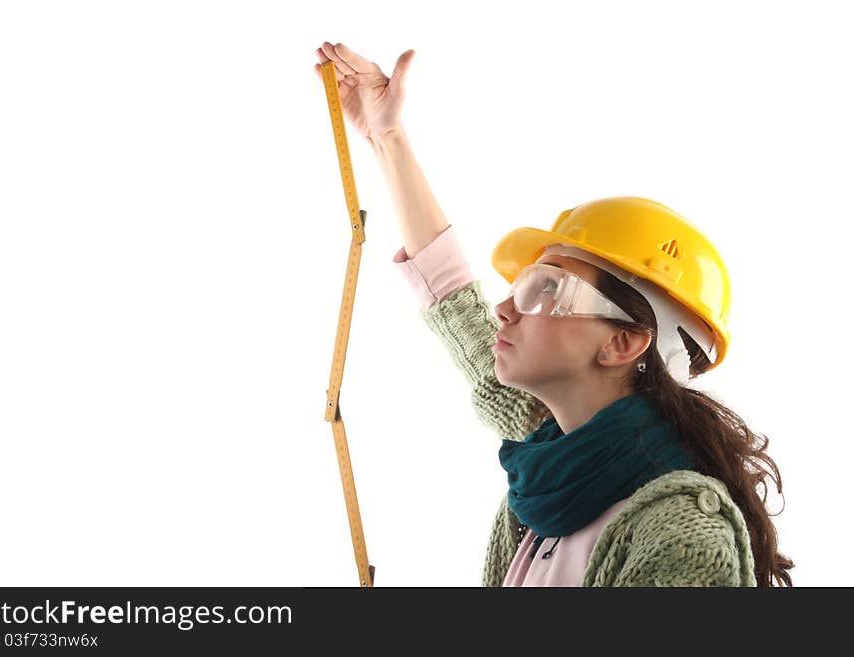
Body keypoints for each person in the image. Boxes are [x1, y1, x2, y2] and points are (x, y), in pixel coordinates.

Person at [313, 42, 794, 587]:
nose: (504, 309)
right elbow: (454, 300)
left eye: (545, 289)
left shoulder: (681, 535)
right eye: (521, 285)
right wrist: (387, 138)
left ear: (624, 343)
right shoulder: (556, 457)